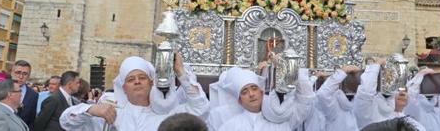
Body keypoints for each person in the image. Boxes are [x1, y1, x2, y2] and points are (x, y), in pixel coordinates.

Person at [60, 55, 209, 130]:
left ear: (152, 83)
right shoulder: (110, 111)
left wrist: (181, 73)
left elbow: (200, 108)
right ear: (123, 87)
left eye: (142, 77)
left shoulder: (168, 111)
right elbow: (66, 122)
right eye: (131, 79)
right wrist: (91, 109)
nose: (137, 81)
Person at [208, 66, 314, 131]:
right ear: (240, 101)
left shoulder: (281, 119)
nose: (251, 94)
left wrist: (290, 66)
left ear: (262, 93)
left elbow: (305, 98)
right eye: (244, 92)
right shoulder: (230, 127)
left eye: (254, 88)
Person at [352, 58, 423, 130]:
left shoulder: (406, 119)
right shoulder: (369, 112)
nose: (402, 94)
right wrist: (376, 65)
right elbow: (365, 93)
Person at [315, 65, 361, 131]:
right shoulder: (335, 107)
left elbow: (323, 93)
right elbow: (323, 94)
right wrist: (343, 71)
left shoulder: (361, 100)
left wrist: (343, 71)